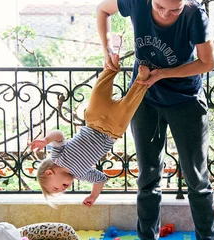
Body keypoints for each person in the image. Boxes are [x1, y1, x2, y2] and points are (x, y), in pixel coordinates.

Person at [96, 0, 214, 240]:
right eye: (159, 7)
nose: (166, 14)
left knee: (196, 178)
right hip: (144, 100)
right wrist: (107, 49)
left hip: (185, 100)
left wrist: (163, 74)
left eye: (175, 8)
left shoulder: (195, 15)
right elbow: (102, 9)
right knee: (148, 175)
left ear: (186, 1)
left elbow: (207, 63)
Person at [31, 55, 149, 206]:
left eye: (56, 187)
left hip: (93, 120)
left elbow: (59, 135)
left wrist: (46, 140)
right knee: (131, 103)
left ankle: (111, 68)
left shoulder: (57, 158)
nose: (62, 189)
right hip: (112, 130)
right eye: (61, 191)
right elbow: (101, 179)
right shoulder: (82, 174)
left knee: (99, 91)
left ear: (49, 172)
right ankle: (142, 80)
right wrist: (93, 196)